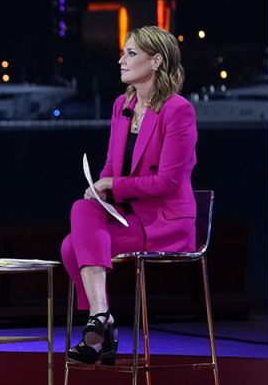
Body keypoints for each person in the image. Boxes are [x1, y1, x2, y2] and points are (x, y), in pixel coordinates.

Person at [60, 25, 197, 364]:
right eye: (123, 52)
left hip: (165, 222)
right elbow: (111, 163)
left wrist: (113, 186)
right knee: (82, 207)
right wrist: (100, 186)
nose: (121, 60)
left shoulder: (177, 110)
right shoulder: (123, 104)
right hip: (128, 214)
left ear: (156, 61)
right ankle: (101, 316)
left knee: (71, 246)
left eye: (130, 53)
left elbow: (167, 182)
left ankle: (98, 330)